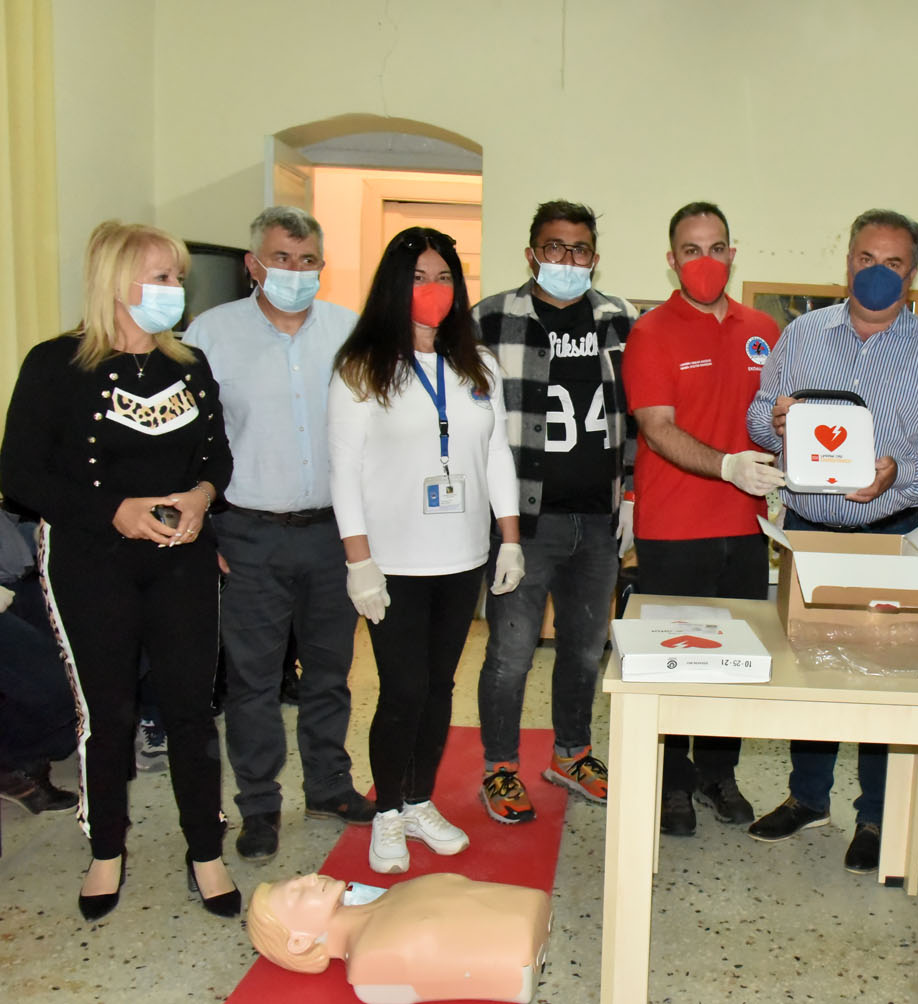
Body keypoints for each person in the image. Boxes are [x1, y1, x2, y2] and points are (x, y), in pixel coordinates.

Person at [0, 220, 240, 919]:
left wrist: (201, 496)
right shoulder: (55, 364)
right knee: (107, 715)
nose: (175, 289)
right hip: (91, 562)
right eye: (161, 276)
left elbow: (216, 456)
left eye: (177, 277)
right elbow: (21, 474)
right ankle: (106, 850)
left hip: (182, 561)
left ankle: (206, 851)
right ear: (114, 280)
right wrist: (114, 511)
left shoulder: (189, 366)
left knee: (192, 711)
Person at [746, 208, 918, 873]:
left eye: (893, 263)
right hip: (808, 533)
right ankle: (807, 797)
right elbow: (758, 415)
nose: (877, 273)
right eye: (865, 259)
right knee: (807, 670)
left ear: (913, 271)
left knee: (886, 678)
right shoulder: (801, 335)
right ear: (847, 260)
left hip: (893, 536)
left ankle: (876, 814)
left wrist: (900, 474)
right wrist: (775, 420)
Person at [329, 227, 521, 874]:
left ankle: (417, 801)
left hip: (461, 556)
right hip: (393, 561)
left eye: (443, 278)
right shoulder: (362, 366)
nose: (433, 290)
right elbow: (343, 470)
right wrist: (359, 560)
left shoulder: (478, 364)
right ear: (394, 284)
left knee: (440, 687)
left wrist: (510, 539)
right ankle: (386, 810)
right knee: (402, 689)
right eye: (418, 278)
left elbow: (495, 453)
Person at [185, 206, 373, 863]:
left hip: (331, 533)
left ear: (322, 265)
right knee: (253, 681)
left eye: (307, 260)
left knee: (330, 673)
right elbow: (190, 440)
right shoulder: (211, 335)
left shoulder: (349, 332)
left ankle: (329, 786)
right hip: (247, 535)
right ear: (253, 264)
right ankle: (259, 806)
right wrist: (204, 532)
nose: (295, 271)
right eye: (281, 259)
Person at [471, 200, 634, 826]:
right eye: (554, 247)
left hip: (598, 521)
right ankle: (500, 767)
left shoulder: (620, 321)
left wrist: (632, 495)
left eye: (579, 249)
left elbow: (637, 416)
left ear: (595, 257)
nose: (568, 258)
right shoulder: (490, 319)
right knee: (510, 654)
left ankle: (572, 755)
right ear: (531, 253)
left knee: (584, 650)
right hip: (524, 524)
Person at [622, 201, 782, 836]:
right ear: (672, 260)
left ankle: (718, 773)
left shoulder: (764, 330)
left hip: (745, 529)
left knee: (733, 664)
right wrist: (727, 467)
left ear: (732, 254)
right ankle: (671, 782)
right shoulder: (652, 332)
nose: (705, 261)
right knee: (673, 662)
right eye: (692, 250)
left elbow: (780, 416)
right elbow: (657, 428)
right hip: (674, 528)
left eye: (716, 248)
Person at [247, 872, 550, 1003]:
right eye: (297, 892)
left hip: (527, 919)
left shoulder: (394, 895)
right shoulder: (370, 959)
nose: (310, 878)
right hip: (520, 950)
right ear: (300, 941)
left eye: (298, 878)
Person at [0, 508, 78, 815]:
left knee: (85, 667)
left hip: (19, 572)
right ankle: (13, 764)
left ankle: (27, 764)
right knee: (60, 685)